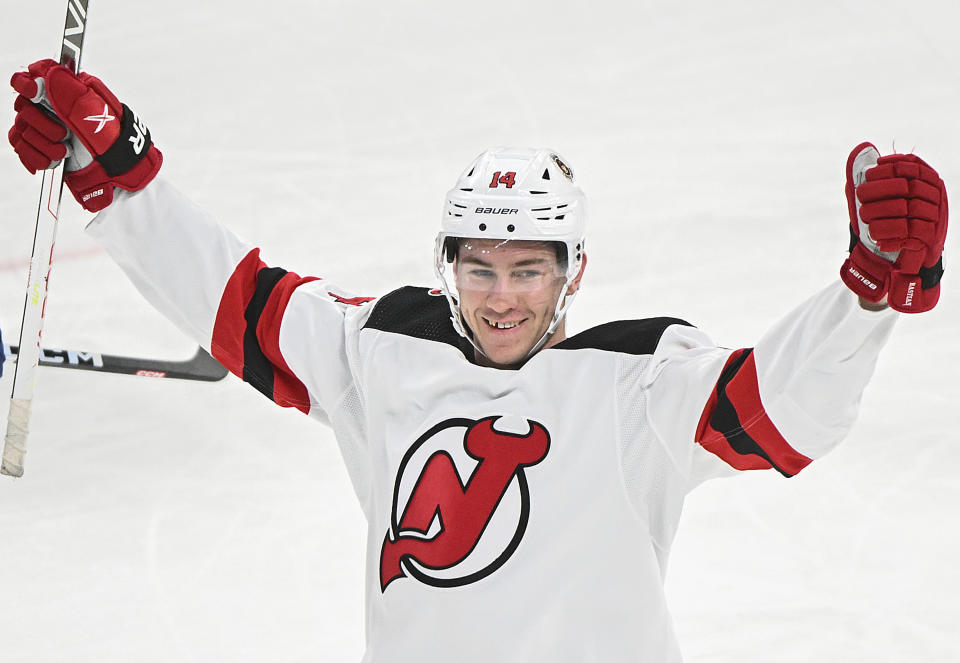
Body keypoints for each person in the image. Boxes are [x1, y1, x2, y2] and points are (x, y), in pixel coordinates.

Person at [7, 60, 948, 662]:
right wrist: (118, 173)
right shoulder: (382, 349)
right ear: (447, 266)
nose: (503, 296)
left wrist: (866, 292)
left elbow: (782, 414)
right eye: (482, 268)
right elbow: (238, 300)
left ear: (572, 274)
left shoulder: (640, 382)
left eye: (529, 271)